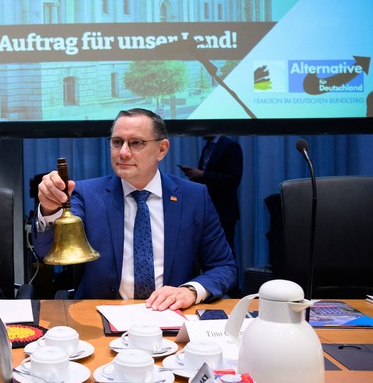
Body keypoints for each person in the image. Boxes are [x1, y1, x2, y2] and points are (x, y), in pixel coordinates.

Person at [33, 108, 237, 311]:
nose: (123, 152)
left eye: (136, 143)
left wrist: (190, 291)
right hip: (100, 317)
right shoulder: (86, 194)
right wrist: (50, 209)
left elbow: (224, 267)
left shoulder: (193, 197)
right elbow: (46, 251)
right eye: (117, 142)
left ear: (162, 149)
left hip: (171, 316)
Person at [179, 135, 243, 253]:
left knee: (225, 250)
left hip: (223, 210)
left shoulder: (230, 146)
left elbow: (234, 179)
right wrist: (195, 174)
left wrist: (203, 174)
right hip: (206, 208)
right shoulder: (207, 147)